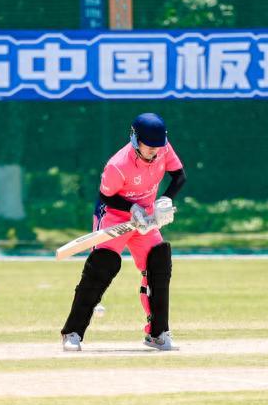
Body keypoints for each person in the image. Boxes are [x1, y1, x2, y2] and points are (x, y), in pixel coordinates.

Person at [60, 113, 187, 351]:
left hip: (146, 218)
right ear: (135, 140)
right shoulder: (117, 165)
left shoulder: (163, 148)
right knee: (102, 265)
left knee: (159, 262)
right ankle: (72, 332)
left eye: (158, 146)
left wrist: (165, 200)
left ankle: (157, 333)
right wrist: (132, 209)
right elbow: (106, 197)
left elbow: (179, 176)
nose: (154, 151)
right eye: (149, 146)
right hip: (114, 216)